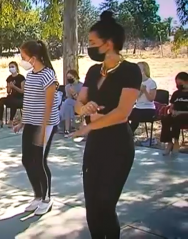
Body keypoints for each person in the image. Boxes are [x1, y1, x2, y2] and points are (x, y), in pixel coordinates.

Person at [73, 11, 142, 238]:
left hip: (118, 146)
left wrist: (91, 124)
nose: (89, 46)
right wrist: (84, 109)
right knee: (92, 208)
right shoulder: (93, 71)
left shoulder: (130, 71)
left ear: (109, 43)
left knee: (105, 204)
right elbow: (78, 103)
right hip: (95, 146)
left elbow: (122, 113)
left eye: (92, 42)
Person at [13, 40, 60, 216]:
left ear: (33, 57)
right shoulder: (31, 75)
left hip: (45, 124)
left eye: (23, 56)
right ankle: (38, 196)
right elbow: (29, 101)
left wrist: (43, 129)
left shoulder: (48, 76)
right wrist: (22, 122)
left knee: (39, 161)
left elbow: (49, 106)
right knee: (27, 160)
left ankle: (47, 199)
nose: (21, 59)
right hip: (31, 122)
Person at [160, 72, 188, 156]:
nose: (178, 85)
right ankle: (169, 142)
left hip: (185, 114)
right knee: (165, 119)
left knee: (178, 119)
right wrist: (172, 111)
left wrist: (180, 112)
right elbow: (171, 106)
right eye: (177, 83)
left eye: (180, 83)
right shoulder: (176, 94)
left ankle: (176, 141)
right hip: (176, 113)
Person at [128, 62, 157, 133]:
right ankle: (127, 133)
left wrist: (145, 91)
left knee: (136, 117)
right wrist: (140, 91)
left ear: (144, 71)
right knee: (124, 115)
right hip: (138, 107)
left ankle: (129, 135)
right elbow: (135, 98)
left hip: (148, 109)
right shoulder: (136, 82)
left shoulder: (151, 83)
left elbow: (151, 99)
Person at [0, 62, 25, 129]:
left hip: (20, 98)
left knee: (13, 101)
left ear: (16, 67)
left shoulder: (21, 77)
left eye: (12, 66)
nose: (11, 68)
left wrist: (14, 86)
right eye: (10, 67)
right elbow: (8, 92)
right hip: (12, 97)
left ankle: (11, 121)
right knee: (1, 100)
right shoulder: (9, 78)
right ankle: (0, 121)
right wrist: (9, 88)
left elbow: (23, 91)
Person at [60, 69, 83, 137]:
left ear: (75, 77)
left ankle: (67, 128)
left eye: (71, 77)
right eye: (68, 78)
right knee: (68, 105)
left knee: (66, 103)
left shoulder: (82, 86)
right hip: (71, 104)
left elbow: (81, 100)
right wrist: (70, 93)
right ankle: (68, 129)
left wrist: (74, 93)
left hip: (80, 103)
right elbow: (69, 98)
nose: (69, 79)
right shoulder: (67, 87)